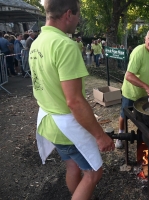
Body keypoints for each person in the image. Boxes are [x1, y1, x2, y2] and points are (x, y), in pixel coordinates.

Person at [28, 0, 115, 199]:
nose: (78, 21)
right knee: (93, 173)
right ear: (68, 14)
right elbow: (74, 101)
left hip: (47, 121)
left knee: (73, 166)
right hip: (67, 128)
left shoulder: (37, 43)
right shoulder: (65, 45)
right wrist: (100, 135)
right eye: (77, 16)